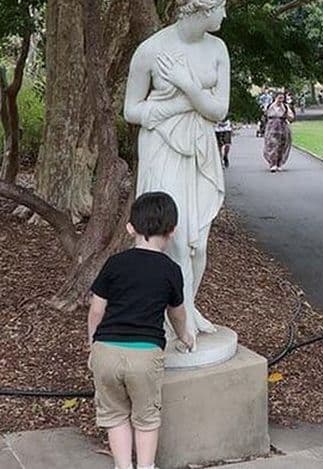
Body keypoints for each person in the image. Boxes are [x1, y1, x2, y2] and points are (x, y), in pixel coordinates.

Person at [123, 0, 228, 337]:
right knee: (175, 239)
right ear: (202, 10)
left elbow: (219, 110)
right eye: (221, 8)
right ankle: (172, 321)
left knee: (199, 245)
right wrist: (181, 104)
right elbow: (131, 110)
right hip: (162, 147)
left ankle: (187, 308)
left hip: (199, 148)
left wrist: (188, 86)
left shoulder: (218, 49)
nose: (225, 15)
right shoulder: (151, 51)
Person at [87, 191, 195, 469]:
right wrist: (184, 335)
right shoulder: (171, 270)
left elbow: (96, 310)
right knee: (146, 418)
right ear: (172, 231)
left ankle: (124, 466)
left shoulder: (114, 263)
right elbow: (177, 313)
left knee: (115, 415)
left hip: (106, 351)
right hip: (145, 356)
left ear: (130, 228)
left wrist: (93, 345)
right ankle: (145, 466)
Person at [262, 92, 294, 172]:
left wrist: (286, 114)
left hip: (282, 128)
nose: (280, 100)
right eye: (279, 98)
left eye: (282, 98)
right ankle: (273, 164)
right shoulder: (269, 106)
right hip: (271, 128)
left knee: (282, 146)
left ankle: (279, 163)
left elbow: (291, 117)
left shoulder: (285, 107)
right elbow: (264, 116)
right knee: (271, 145)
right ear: (275, 98)